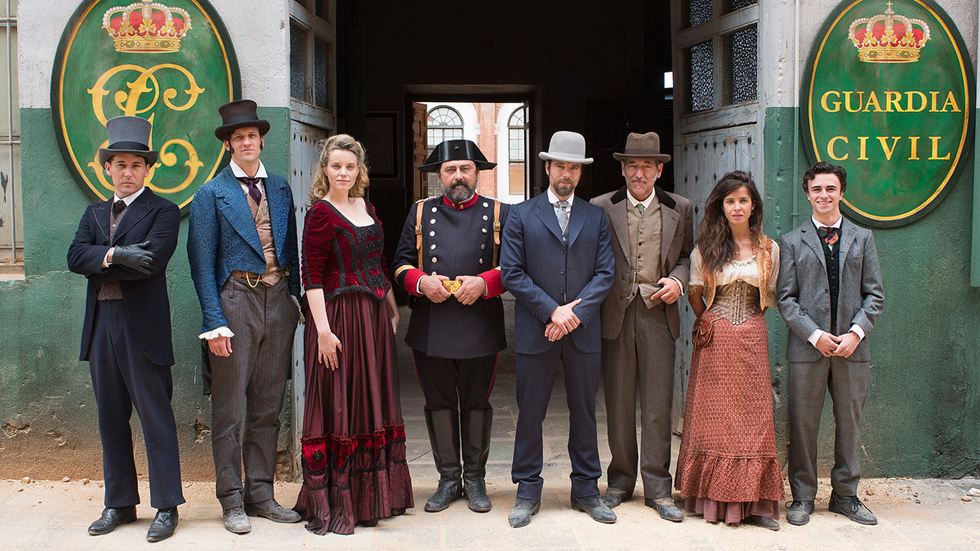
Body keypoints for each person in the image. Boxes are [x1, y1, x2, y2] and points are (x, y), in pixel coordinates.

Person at [67, 116, 183, 542]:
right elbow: (75, 257)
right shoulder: (94, 212)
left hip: (142, 327)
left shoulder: (164, 211)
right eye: (120, 165)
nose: (128, 172)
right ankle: (119, 503)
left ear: (148, 169)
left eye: (136, 165)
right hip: (102, 324)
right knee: (110, 417)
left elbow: (150, 263)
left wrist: (99, 260)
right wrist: (117, 255)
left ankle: (166, 506)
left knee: (155, 415)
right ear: (107, 169)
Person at [187, 100, 301, 534]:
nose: (247, 142)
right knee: (229, 409)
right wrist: (213, 322)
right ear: (229, 145)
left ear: (261, 140)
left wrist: (295, 300)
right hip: (236, 299)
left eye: (252, 135)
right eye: (239, 137)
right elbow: (201, 264)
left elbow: (289, 250)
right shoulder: (210, 193)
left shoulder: (280, 188)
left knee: (268, 407)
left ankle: (260, 493)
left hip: (278, 300)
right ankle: (231, 498)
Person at [292, 134, 413, 534]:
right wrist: (323, 332)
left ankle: (374, 497)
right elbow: (311, 275)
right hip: (338, 320)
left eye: (350, 166)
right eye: (336, 166)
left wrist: (392, 309)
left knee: (371, 400)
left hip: (372, 318)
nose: (343, 173)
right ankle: (338, 500)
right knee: (341, 404)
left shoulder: (366, 206)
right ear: (324, 170)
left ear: (359, 170)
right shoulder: (320, 214)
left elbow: (378, 263)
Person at [500, 131, 615, 528]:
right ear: (547, 167)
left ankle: (586, 489)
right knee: (530, 411)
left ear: (580, 172)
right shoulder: (520, 214)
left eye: (574, 168)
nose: (567, 174)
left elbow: (605, 273)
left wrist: (572, 316)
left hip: (582, 331)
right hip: (537, 328)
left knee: (584, 410)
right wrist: (552, 312)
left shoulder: (595, 216)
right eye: (560, 166)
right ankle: (527, 490)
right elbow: (512, 273)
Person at [392, 140, 509, 514]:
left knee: (476, 404)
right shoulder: (421, 212)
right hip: (432, 324)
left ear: (477, 173)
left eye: (465, 169)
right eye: (450, 170)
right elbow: (400, 264)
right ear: (439, 176)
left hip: (480, 324)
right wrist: (421, 282)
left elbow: (516, 266)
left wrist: (486, 283)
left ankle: (475, 480)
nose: (458, 176)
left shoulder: (499, 213)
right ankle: (447, 480)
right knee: (439, 404)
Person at [590, 131, 694, 521]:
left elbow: (687, 255)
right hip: (614, 312)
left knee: (657, 402)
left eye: (646, 166)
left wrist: (678, 281)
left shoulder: (680, 207)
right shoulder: (602, 206)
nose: (638, 173)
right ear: (622, 168)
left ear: (658, 170)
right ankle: (619, 482)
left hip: (657, 311)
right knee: (618, 401)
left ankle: (657, 487)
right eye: (632, 165)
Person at [674, 171, 784, 530]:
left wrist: (746, 323)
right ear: (721, 206)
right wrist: (711, 320)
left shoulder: (769, 249)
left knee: (754, 420)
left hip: (752, 337)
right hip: (716, 339)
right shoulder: (706, 249)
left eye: (743, 200)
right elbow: (694, 293)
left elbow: (768, 296)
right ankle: (711, 500)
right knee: (715, 420)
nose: (737, 207)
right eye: (730, 200)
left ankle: (753, 504)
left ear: (753, 206)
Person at [777, 161, 885, 526]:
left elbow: (875, 295)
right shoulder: (792, 241)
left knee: (850, 422)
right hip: (807, 349)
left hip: (853, 350)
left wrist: (855, 333)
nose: (824, 195)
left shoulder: (863, 238)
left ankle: (845, 496)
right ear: (807, 194)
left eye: (830, 189)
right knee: (803, 423)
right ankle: (803, 496)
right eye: (817, 189)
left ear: (842, 192)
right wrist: (814, 335)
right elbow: (786, 299)